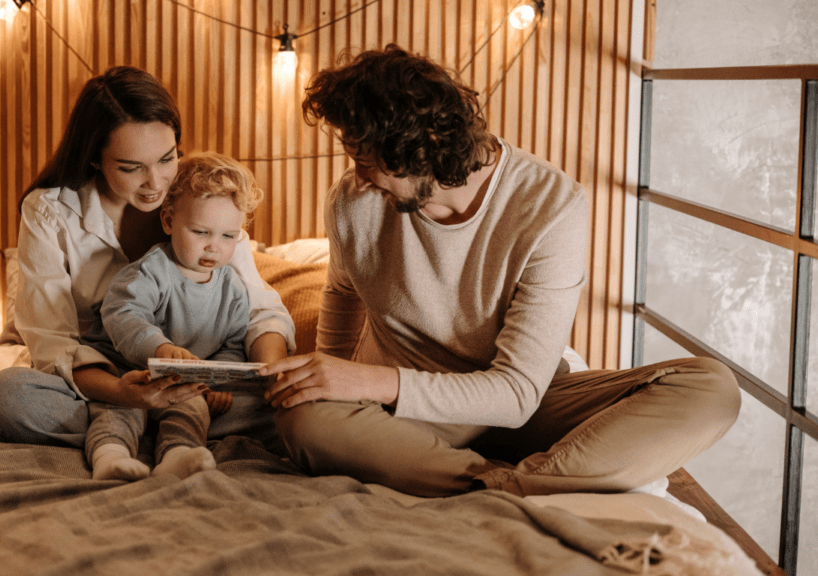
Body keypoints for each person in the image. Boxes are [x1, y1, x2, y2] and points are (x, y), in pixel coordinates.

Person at [259, 45, 741, 498]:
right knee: (302, 419)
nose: (358, 174)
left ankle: (499, 487)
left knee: (712, 390)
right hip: (410, 415)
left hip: (523, 404)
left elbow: (516, 393)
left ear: (419, 151)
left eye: (367, 160)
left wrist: (364, 383)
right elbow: (343, 293)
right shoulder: (354, 201)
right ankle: (526, 480)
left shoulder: (550, 206)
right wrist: (329, 379)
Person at [0, 66, 295, 472]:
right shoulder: (49, 210)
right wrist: (124, 394)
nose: (155, 183)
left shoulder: (201, 198)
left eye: (167, 158)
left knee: (296, 408)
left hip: (200, 391)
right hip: (106, 386)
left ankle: (140, 433)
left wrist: (270, 378)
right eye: (131, 167)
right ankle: (152, 431)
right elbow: (52, 341)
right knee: (6, 399)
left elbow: (257, 311)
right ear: (94, 157)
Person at [85, 152, 266, 480]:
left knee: (194, 407)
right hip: (133, 375)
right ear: (169, 221)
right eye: (201, 232)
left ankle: (177, 456)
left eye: (228, 236)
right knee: (121, 410)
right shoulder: (152, 270)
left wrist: (217, 383)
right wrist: (159, 348)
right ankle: (109, 458)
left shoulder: (234, 290)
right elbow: (123, 314)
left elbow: (233, 344)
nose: (214, 246)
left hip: (185, 384)